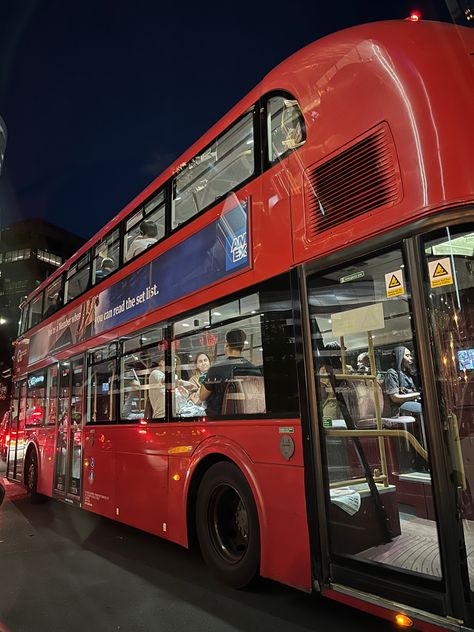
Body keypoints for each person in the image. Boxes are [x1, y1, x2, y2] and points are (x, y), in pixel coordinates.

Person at [199, 329, 255, 418]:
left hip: (218, 418)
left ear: (227, 344)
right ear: (243, 346)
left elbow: (202, 396)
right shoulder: (252, 368)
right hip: (246, 416)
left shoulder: (215, 369)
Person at [384, 346, 422, 417]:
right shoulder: (391, 373)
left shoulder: (407, 374)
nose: (411, 358)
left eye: (410, 355)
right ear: (399, 356)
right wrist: (417, 395)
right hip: (398, 407)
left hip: (411, 402)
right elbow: (395, 398)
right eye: (407, 355)